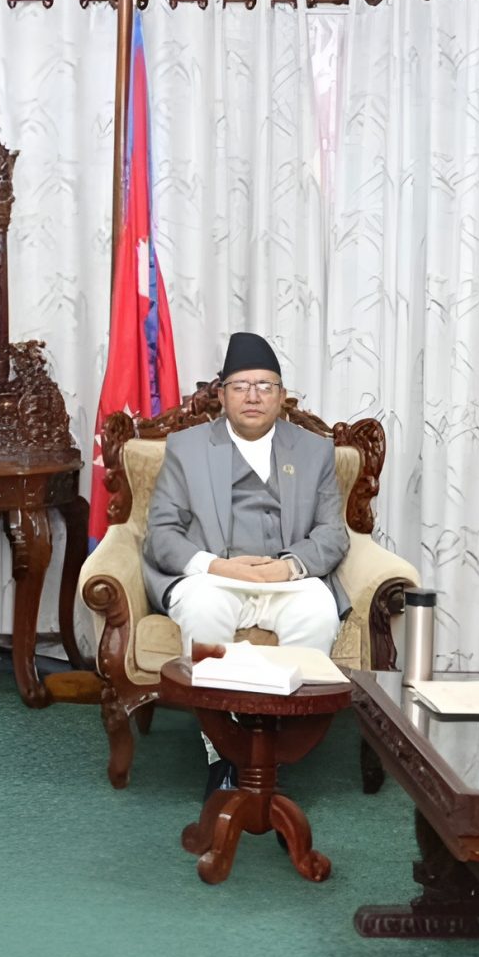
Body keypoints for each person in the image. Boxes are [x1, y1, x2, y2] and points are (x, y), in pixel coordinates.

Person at [143, 332, 351, 795]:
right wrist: (218, 567)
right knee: (204, 611)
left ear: (282, 395)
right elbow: (161, 535)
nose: (253, 396)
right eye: (240, 386)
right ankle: (222, 750)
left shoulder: (314, 450)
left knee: (318, 612)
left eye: (264, 386)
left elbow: (332, 533)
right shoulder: (186, 447)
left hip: (286, 577)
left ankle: (277, 750)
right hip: (216, 577)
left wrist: (289, 567)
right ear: (221, 395)